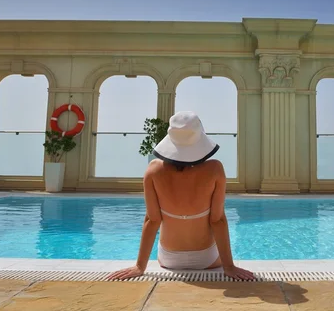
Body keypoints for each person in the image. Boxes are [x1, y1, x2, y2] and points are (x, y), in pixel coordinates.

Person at [108, 111, 254, 281]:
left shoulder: (153, 170)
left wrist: (140, 266)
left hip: (169, 259)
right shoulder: (214, 169)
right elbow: (217, 220)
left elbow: (152, 220)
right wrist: (229, 267)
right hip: (207, 259)